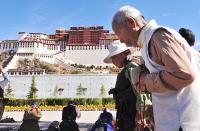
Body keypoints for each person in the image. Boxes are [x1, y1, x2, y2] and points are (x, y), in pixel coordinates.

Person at [112, 5, 200, 131]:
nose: (120, 40)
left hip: (180, 124)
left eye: (119, 33)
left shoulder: (158, 36)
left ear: (131, 23)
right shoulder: (148, 41)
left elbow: (183, 74)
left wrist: (143, 80)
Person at [104, 40, 153, 131]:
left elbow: (142, 93)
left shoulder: (131, 66)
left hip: (133, 118)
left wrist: (140, 115)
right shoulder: (128, 68)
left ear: (122, 54)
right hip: (127, 117)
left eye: (114, 57)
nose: (113, 61)